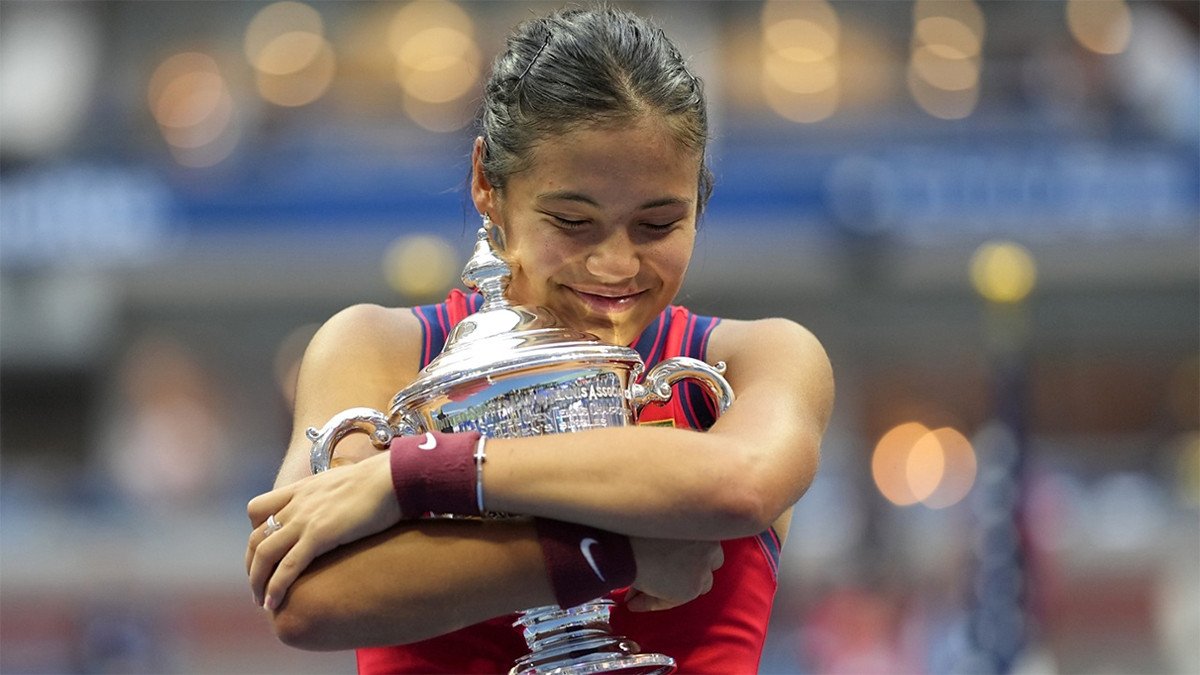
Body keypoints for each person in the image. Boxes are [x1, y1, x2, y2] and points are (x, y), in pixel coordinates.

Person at [245, 5, 833, 673]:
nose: (616, 264)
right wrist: (620, 553)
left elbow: (742, 483)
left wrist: (416, 473)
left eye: (657, 224)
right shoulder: (379, 350)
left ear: (700, 202)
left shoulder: (759, 357)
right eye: (573, 221)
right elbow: (303, 594)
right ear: (487, 186)